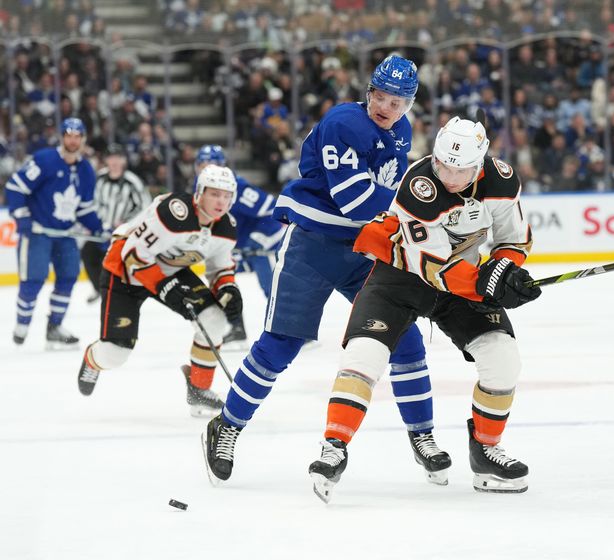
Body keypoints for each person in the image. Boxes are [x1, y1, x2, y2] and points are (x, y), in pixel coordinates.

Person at [203, 55, 452, 486]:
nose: (387, 108)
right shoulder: (344, 124)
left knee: (405, 339)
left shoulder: (401, 132)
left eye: (398, 102)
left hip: (363, 251)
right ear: (368, 91)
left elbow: (388, 201)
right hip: (312, 248)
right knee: (280, 345)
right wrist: (427, 214)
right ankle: (226, 426)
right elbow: (355, 200)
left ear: (409, 105)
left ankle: (423, 435)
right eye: (381, 96)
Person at [307, 117, 542, 502]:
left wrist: (505, 269)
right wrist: (488, 282)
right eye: (443, 165)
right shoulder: (419, 187)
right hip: (402, 275)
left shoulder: (501, 180)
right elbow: (433, 266)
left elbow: (513, 240)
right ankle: (334, 446)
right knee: (363, 354)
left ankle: (485, 450)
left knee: (503, 359)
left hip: (461, 279)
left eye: (461, 169)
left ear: (480, 164)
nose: (449, 176)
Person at [75, 164, 243, 417]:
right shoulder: (173, 213)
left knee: (214, 319)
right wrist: (163, 286)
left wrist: (228, 288)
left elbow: (220, 267)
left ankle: (199, 389)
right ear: (199, 192)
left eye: (226, 195)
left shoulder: (226, 227)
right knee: (114, 354)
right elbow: (133, 254)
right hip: (124, 271)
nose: (221, 201)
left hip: (169, 269)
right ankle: (93, 358)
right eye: (214, 193)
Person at [6, 117, 105, 348]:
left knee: (69, 277)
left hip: (65, 235)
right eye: (68, 135)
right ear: (62, 137)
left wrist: (99, 228)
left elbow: (84, 209)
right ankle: (22, 323)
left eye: (77, 136)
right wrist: (22, 218)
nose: (72, 140)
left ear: (82, 139)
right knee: (33, 281)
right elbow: (15, 188)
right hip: (38, 233)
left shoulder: (86, 170)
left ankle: (55, 327)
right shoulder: (45, 160)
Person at [193, 144, 285, 345]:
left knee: (271, 286)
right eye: (201, 164)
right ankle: (236, 328)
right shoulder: (199, 186)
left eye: (210, 164)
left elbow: (271, 207)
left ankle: (291, 332)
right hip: (235, 244)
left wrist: (260, 238)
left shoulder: (234, 184)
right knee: (224, 283)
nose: (204, 169)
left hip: (262, 242)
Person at [81, 143, 151, 303]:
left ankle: (123, 292)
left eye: (117, 157)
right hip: (101, 230)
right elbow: (92, 202)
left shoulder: (132, 182)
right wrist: (96, 224)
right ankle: (100, 289)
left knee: (120, 263)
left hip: (125, 234)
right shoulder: (99, 178)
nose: (114, 161)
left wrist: (126, 224)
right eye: (111, 157)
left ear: (123, 160)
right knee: (88, 253)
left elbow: (145, 207)